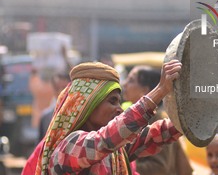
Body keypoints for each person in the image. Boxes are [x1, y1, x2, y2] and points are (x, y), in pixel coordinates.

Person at [22, 59, 182, 175]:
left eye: (119, 102)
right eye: (112, 101)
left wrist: (187, 120)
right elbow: (103, 141)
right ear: (88, 105)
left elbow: (153, 136)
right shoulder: (69, 147)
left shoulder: (115, 152)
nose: (119, 109)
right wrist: (160, 90)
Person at [123, 65, 193, 175]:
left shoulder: (157, 120)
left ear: (144, 90)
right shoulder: (136, 118)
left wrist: (122, 165)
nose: (124, 84)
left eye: (131, 80)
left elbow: (159, 167)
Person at [38, 71, 71, 142]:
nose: (60, 92)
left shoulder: (79, 114)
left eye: (64, 88)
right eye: (57, 88)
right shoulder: (46, 117)